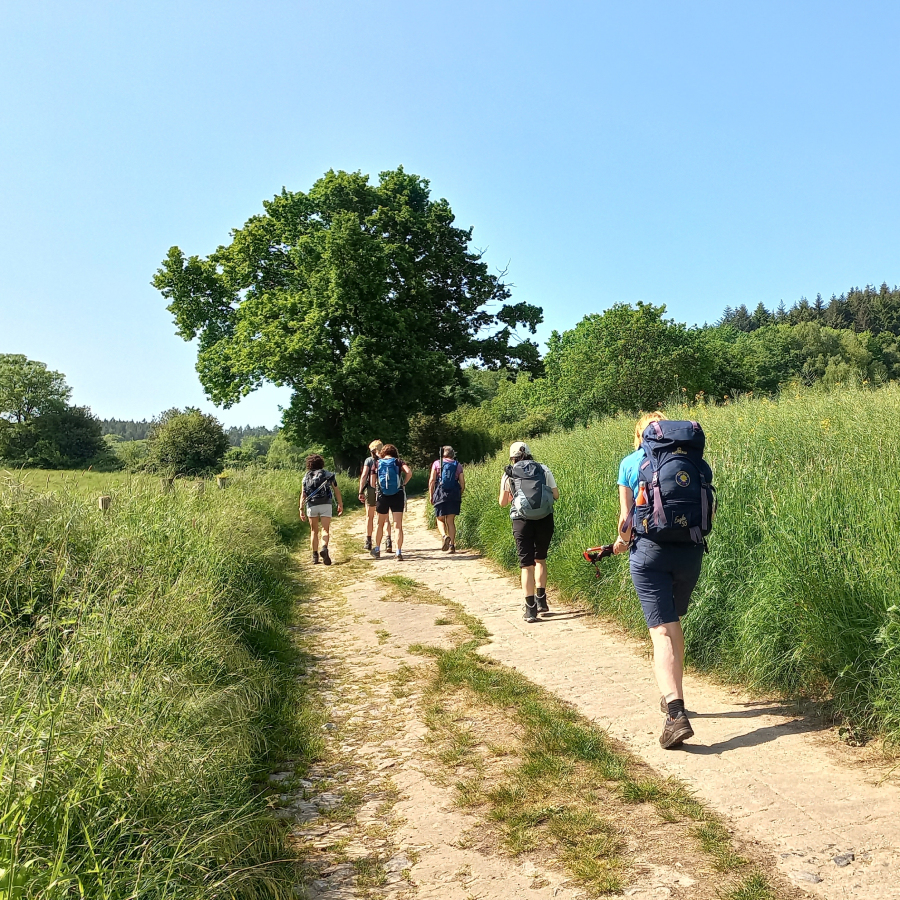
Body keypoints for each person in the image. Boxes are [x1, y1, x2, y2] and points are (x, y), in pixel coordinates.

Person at [611, 412, 713, 750]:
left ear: (642, 435)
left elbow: (627, 519)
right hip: (691, 550)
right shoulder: (694, 461)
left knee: (661, 630)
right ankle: (673, 696)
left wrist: (621, 541)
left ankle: (674, 713)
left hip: (650, 552)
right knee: (673, 624)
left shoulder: (631, 462)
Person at [498, 441, 559, 623]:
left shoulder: (509, 472)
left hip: (521, 521)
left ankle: (530, 609)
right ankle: (542, 600)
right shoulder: (543, 468)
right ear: (530, 454)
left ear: (512, 457)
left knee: (527, 565)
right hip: (544, 519)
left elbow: (502, 502)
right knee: (540, 559)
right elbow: (555, 495)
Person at [370, 444, 412, 561]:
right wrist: (403, 484)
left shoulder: (377, 463)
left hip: (383, 495)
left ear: (383, 453)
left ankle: (377, 549)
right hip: (397, 494)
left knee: (380, 524)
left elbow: (372, 482)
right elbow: (409, 473)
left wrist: (378, 489)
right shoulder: (398, 462)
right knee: (398, 525)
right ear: (394, 453)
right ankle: (398, 552)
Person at [299, 454, 343, 565]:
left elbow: (303, 494)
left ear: (309, 464)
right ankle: (324, 548)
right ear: (321, 463)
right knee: (325, 529)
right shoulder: (328, 475)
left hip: (311, 505)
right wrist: (340, 504)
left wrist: (301, 509)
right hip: (325, 504)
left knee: (314, 531)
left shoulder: (306, 477)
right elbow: (336, 491)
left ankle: (315, 556)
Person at [429, 445, 465, 553]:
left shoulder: (437, 463)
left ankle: (444, 536)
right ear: (452, 454)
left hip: (440, 493)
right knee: (450, 521)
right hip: (453, 494)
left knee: (440, 519)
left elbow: (432, 481)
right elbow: (462, 482)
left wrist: (431, 495)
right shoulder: (457, 465)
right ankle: (452, 546)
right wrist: (459, 493)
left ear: (442, 454)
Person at [358, 440, 392, 552]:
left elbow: (364, 476)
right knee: (385, 517)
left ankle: (368, 541)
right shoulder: (386, 460)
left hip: (372, 490)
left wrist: (360, 491)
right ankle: (388, 541)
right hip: (384, 490)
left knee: (370, 516)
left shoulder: (369, 460)